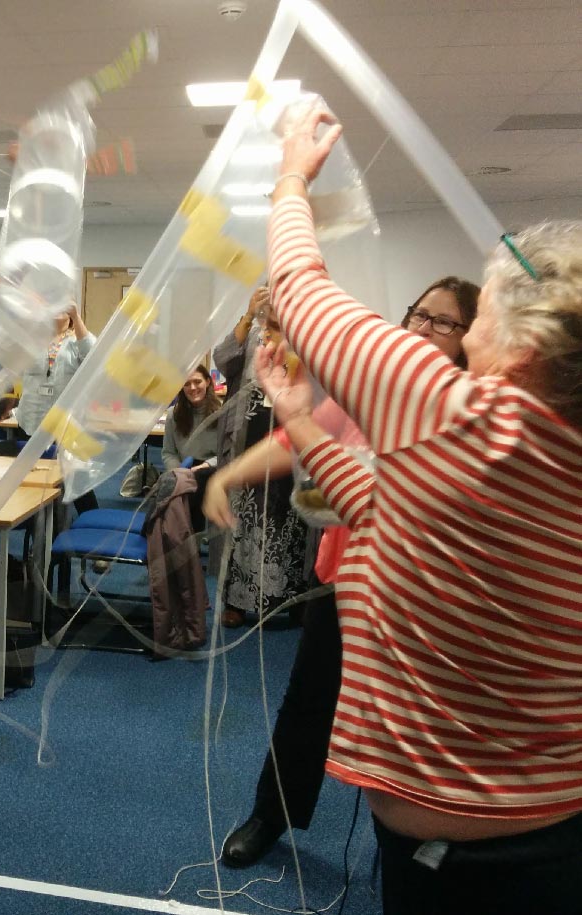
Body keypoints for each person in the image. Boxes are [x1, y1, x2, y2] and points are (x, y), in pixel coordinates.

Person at [261, 107, 582, 914]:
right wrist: (298, 415)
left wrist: (293, 175)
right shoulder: (542, 448)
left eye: (481, 312)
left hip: (477, 870)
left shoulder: (454, 409)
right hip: (542, 835)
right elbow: (379, 510)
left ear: (522, 349)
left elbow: (297, 290)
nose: (464, 328)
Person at [205, 276, 478, 868]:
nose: (424, 329)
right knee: (308, 702)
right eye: (418, 315)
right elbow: (299, 436)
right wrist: (226, 477)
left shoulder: (469, 410)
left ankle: (410, 846)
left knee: (409, 726)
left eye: (444, 322)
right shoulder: (370, 394)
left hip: (418, 595)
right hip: (342, 578)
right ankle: (268, 816)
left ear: (469, 338)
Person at [212, 290, 316, 628]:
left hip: (292, 436)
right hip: (248, 434)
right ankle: (237, 601)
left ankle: (292, 598)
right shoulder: (255, 331)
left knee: (291, 518)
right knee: (243, 518)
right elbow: (223, 360)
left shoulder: (306, 335)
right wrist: (247, 316)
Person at [14, 302, 99, 516]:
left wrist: (77, 317)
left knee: (76, 479)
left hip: (67, 423)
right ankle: (42, 534)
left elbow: (92, 354)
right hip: (32, 418)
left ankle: (89, 523)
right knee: (35, 481)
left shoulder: (76, 339)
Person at [160, 363, 223, 531]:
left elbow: (227, 453)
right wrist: (178, 472)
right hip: (184, 469)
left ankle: (191, 538)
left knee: (197, 484)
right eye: (187, 384)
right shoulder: (173, 414)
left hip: (211, 468)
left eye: (197, 382)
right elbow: (168, 452)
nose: (192, 387)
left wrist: (205, 466)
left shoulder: (222, 413)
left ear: (208, 382)